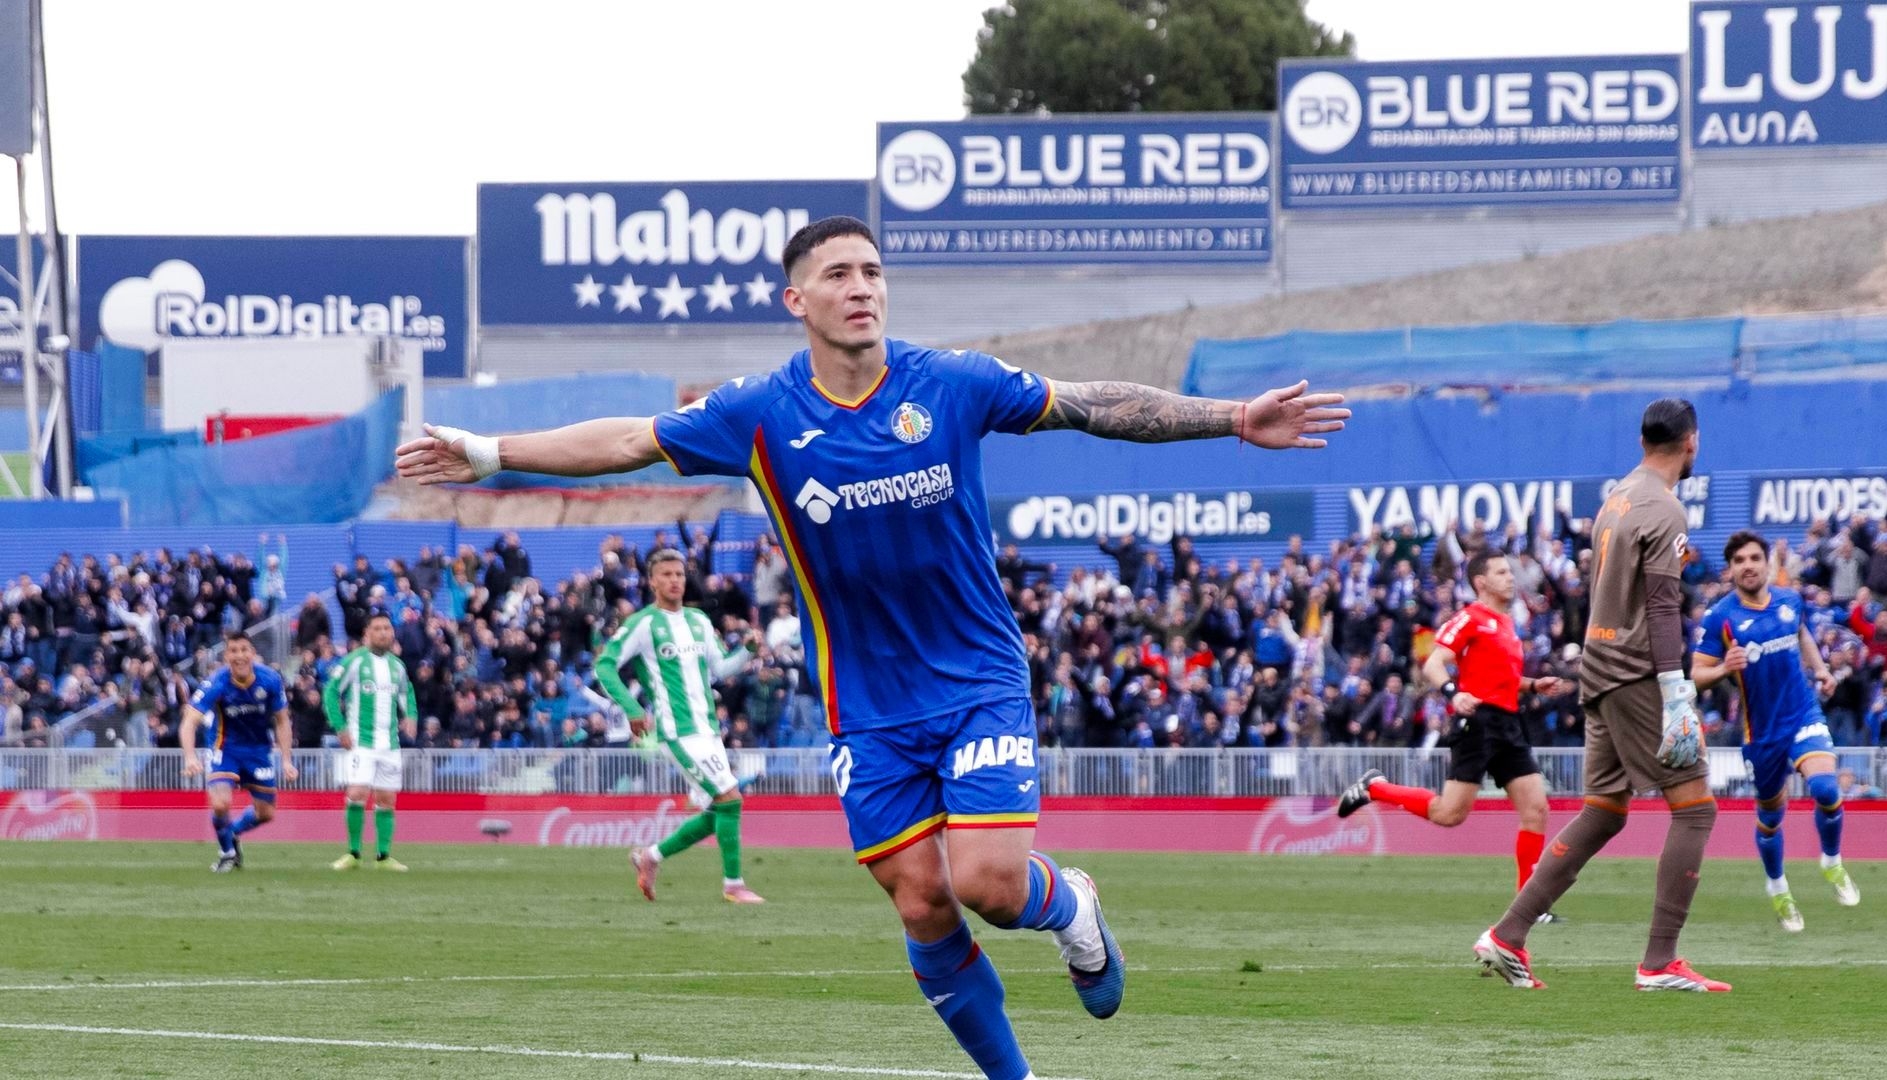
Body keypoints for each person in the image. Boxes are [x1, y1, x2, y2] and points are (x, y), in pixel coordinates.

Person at [396, 214, 1347, 1080]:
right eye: (840, 274)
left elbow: (1091, 402)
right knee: (923, 905)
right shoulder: (759, 411)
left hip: (976, 678)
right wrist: (491, 452)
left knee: (986, 886)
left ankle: (1074, 906)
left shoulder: (952, 382)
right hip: (868, 706)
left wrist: (1230, 419)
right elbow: (627, 442)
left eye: (873, 271)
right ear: (796, 300)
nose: (863, 287)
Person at [1473, 399, 1727, 993]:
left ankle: (1507, 935)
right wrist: (1675, 687)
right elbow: (1663, 604)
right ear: (1691, 441)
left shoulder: (1617, 497)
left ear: (1644, 440)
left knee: (1604, 812)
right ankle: (1659, 962)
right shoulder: (1664, 507)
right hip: (1638, 671)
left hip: (1599, 667)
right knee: (1695, 809)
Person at [1336, 550, 1569, 913]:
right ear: (1481, 582)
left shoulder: (1506, 623)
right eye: (1502, 572)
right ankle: (1375, 787)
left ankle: (1530, 906)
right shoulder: (1470, 617)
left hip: (1508, 722)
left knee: (1537, 809)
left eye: (1510, 571)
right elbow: (1434, 663)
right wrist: (1453, 692)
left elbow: (1500, 678)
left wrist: (1533, 685)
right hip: (1476, 722)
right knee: (1449, 814)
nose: (1511, 577)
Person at [1690, 531, 1858, 932]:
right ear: (1730, 570)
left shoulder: (1789, 599)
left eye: (1754, 558)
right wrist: (1724, 669)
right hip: (1761, 731)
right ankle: (1778, 887)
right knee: (1770, 816)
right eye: (1739, 561)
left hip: (1802, 711)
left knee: (1826, 790)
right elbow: (1696, 675)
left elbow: (1802, 635)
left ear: (1766, 563)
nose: (1747, 565)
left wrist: (1819, 669)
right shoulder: (1720, 617)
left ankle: (1832, 862)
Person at [595, 548, 766, 904]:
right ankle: (733, 886)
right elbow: (605, 666)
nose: (675, 580)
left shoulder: (700, 621)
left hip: (707, 729)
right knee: (730, 798)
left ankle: (650, 856)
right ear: (652, 581)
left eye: (679, 574)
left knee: (718, 809)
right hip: (677, 730)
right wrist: (631, 707)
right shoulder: (643, 623)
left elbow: (721, 670)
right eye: (667, 575)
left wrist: (747, 650)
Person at [179, 632, 297, 872]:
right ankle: (227, 853)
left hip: (258, 752)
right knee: (220, 803)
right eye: (233, 651)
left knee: (266, 813)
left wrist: (287, 760)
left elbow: (283, 721)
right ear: (226, 656)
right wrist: (190, 757)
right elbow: (189, 721)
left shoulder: (271, 680)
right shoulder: (217, 682)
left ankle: (231, 833)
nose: (239, 656)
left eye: (244, 650)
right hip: (225, 749)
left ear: (252, 654)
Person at [323, 611, 416, 872]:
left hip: (390, 744)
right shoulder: (353, 661)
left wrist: (411, 715)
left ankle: (383, 857)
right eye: (378, 628)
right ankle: (353, 853)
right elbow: (331, 692)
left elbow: (407, 693)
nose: (384, 633)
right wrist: (340, 727)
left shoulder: (397, 666)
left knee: (387, 799)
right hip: (361, 742)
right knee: (357, 793)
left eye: (387, 628)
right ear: (367, 634)